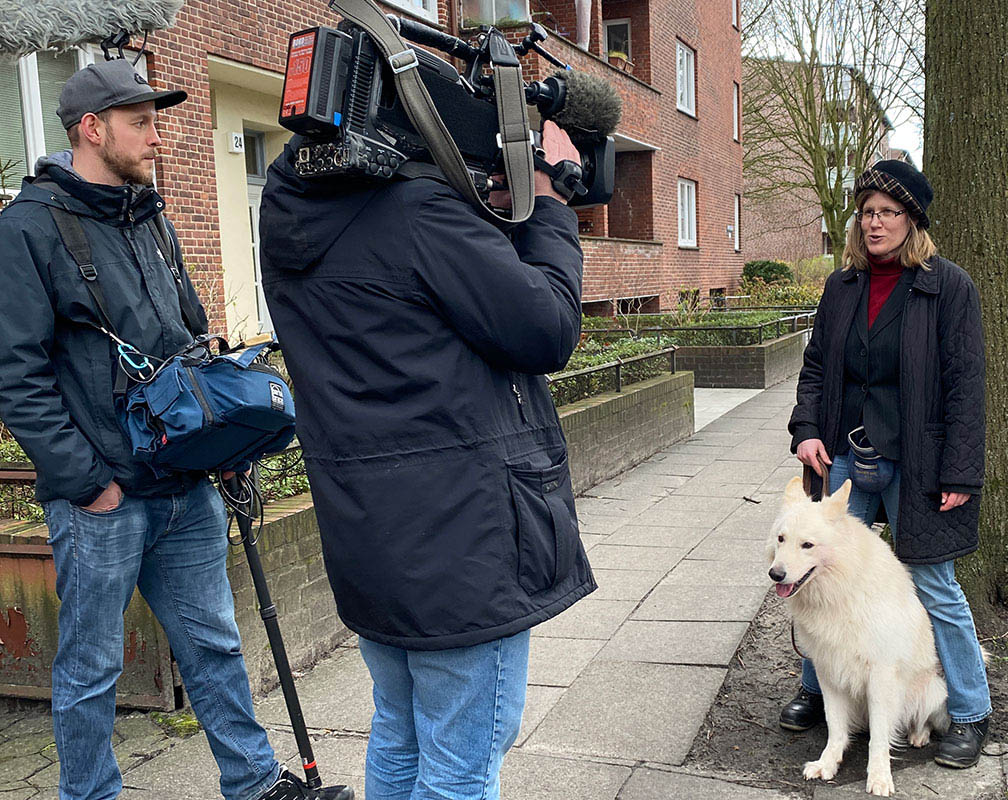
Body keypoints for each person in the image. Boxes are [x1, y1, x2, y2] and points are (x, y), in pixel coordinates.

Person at [0, 59, 317, 800]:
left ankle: (254, 783)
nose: (156, 137)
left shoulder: (151, 217)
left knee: (215, 646)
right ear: (91, 128)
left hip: (185, 485)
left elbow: (189, 339)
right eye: (140, 122)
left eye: (156, 121)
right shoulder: (26, 229)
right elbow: (16, 374)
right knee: (90, 668)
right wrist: (88, 484)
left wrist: (227, 446)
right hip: (102, 499)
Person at [256, 120, 596, 799]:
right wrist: (551, 206)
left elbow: (415, 314)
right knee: (462, 765)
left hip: (370, 534)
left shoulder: (288, 210)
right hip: (461, 545)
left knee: (401, 732)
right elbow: (547, 327)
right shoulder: (420, 214)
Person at [782, 159, 992, 768]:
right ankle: (816, 695)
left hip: (920, 462)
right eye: (867, 213)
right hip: (844, 453)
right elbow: (817, 367)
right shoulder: (840, 287)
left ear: (912, 221)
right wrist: (805, 432)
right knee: (816, 576)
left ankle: (971, 713)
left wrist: (960, 471)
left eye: (888, 213)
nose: (875, 224)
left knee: (934, 584)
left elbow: (965, 385)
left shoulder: (947, 287)